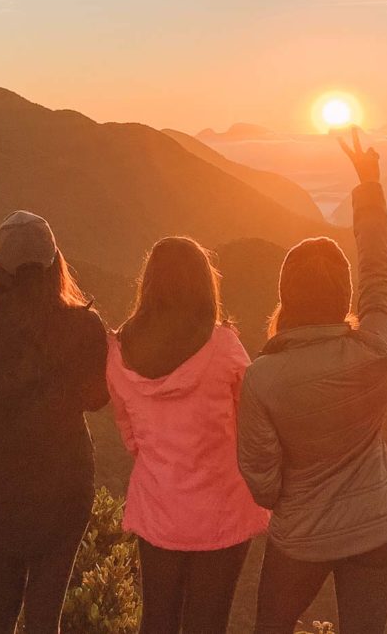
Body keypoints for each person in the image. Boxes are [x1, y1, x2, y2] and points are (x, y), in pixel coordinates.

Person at [238, 130, 387, 634]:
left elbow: (262, 484)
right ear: (344, 294)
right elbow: (381, 274)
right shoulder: (376, 347)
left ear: (285, 294)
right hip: (378, 524)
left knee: (271, 625)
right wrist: (370, 186)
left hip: (301, 536)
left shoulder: (262, 378)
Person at [107, 237, 270, 634]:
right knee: (208, 622)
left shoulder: (118, 350)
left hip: (159, 508)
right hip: (222, 510)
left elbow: (130, 435)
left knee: (158, 621)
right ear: (203, 284)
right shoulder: (224, 347)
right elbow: (252, 420)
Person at [0, 211, 108, 634]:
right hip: (65, 478)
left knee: (0, 606)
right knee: (46, 612)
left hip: (0, 476)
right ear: (55, 261)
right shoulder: (85, 323)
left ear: (0, 266)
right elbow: (98, 398)